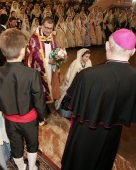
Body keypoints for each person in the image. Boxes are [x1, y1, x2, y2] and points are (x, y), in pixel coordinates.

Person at [61, 28, 136, 170]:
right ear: (133, 51)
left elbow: (67, 103)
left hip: (86, 131)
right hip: (113, 133)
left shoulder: (88, 75)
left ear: (107, 45)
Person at [0, 28, 47, 170]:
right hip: (29, 119)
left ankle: (21, 168)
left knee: (16, 146)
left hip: (10, 120)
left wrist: (7, 111)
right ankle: (32, 167)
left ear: (3, 50)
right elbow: (38, 99)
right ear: (23, 50)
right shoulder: (31, 73)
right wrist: (41, 117)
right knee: (32, 143)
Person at [24, 16, 59, 105]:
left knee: (50, 82)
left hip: (50, 66)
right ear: (42, 26)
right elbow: (33, 55)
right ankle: (40, 103)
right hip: (40, 67)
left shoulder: (51, 35)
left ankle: (49, 99)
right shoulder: (35, 37)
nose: (48, 31)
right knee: (40, 86)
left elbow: (54, 49)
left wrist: (57, 57)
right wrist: (47, 60)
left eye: (50, 28)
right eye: (46, 28)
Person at [55, 48, 92, 118]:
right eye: (86, 57)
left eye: (88, 57)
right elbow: (70, 77)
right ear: (81, 56)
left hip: (82, 83)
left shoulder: (89, 62)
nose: (87, 58)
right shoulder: (76, 64)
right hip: (74, 83)